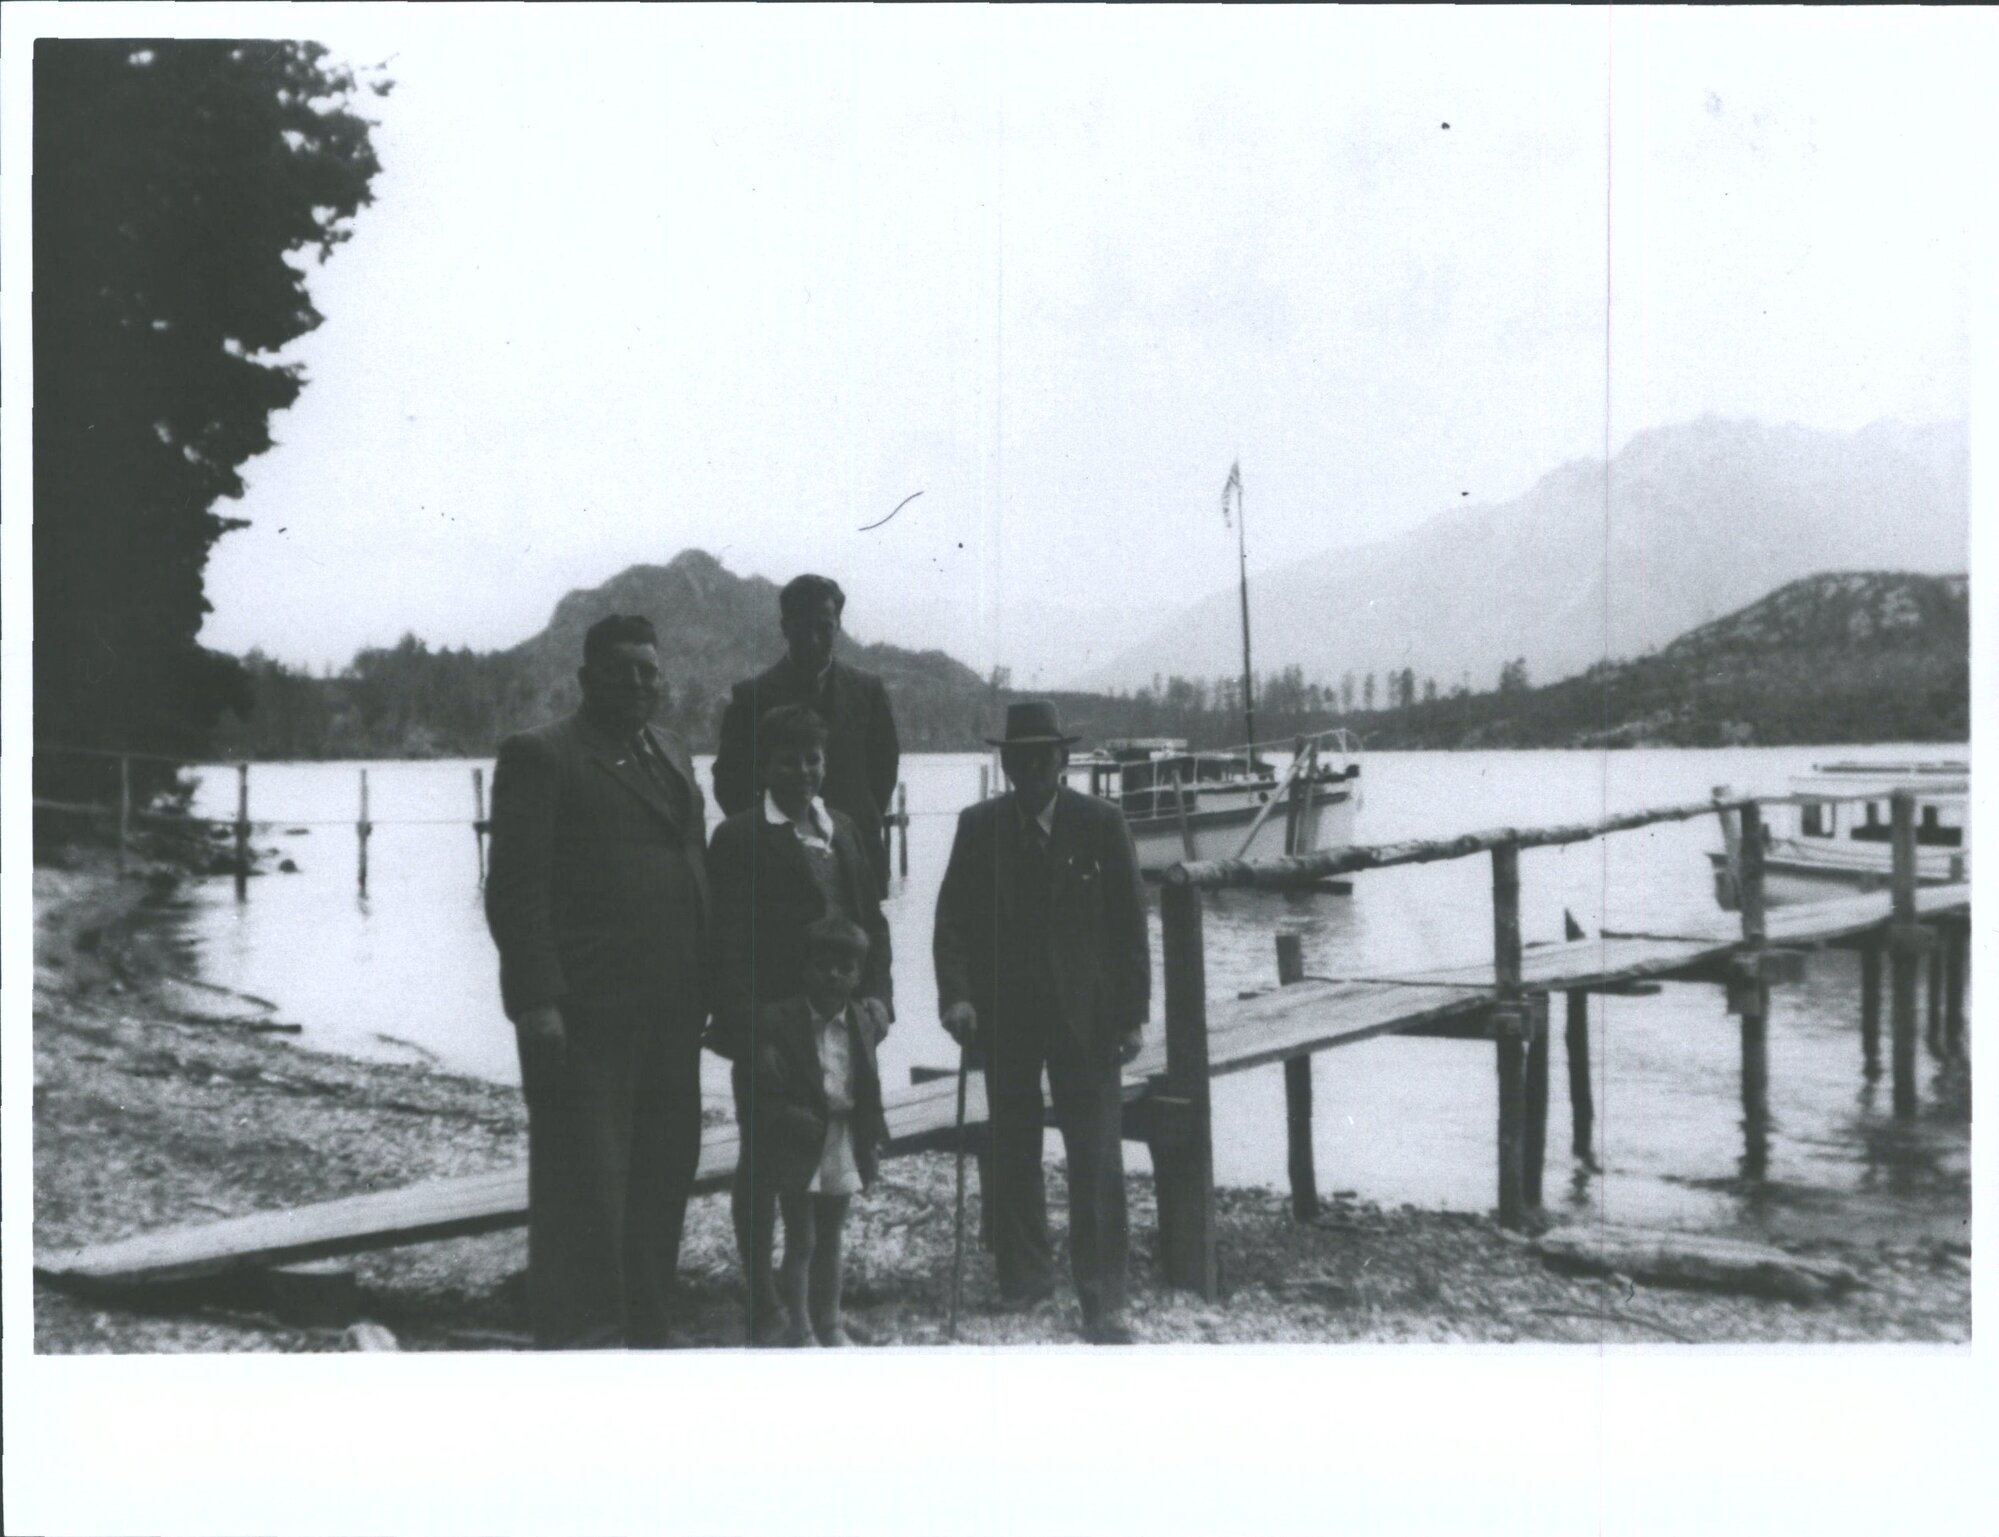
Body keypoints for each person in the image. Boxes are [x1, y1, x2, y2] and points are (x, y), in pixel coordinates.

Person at [483, 613, 709, 1349]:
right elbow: (514, 891)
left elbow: (692, 867)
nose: (639, 683)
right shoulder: (543, 755)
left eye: (650, 670)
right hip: (585, 1016)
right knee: (584, 1188)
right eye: (622, 671)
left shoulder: (672, 752)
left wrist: (713, 986)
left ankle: (646, 1328)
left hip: (673, 1011)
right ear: (587, 679)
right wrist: (537, 1002)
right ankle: (582, 1341)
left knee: (662, 1176)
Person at [933, 700, 1150, 1344]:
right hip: (1005, 1016)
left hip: (1087, 1018)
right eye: (1019, 759)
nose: (1031, 769)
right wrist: (957, 998)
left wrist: (1132, 1016)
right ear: (1005, 764)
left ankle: (1103, 1298)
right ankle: (1024, 1277)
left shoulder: (1102, 823)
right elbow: (952, 924)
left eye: (1042, 757)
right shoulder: (979, 827)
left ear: (1063, 760)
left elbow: (1130, 928)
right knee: (1012, 1147)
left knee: (1095, 1155)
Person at [707, 703, 893, 1345]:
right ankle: (765, 1306)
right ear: (765, 766)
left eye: (813, 758)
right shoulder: (739, 837)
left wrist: (880, 1000)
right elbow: (724, 946)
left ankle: (819, 1310)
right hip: (774, 1034)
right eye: (788, 760)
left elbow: (873, 922)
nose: (802, 771)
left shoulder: (845, 829)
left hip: (843, 1026)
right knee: (765, 1168)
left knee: (835, 1164)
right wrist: (748, 1035)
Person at [749, 914, 889, 1347]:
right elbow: (761, 1090)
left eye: (845, 968)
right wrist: (787, 1115)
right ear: (804, 968)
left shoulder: (862, 1021)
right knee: (803, 1238)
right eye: (822, 966)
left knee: (831, 1237)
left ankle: (830, 1322)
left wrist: (872, 1139)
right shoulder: (780, 1021)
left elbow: (868, 1085)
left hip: (842, 1137)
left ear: (858, 975)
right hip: (799, 1142)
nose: (833, 976)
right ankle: (800, 1326)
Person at [712, 573, 901, 894]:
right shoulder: (751, 697)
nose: (813, 639)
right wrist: (769, 838)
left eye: (824, 627)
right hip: (775, 864)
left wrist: (856, 821)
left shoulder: (868, 690)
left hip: (858, 855)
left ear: (838, 626)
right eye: (802, 628)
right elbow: (731, 783)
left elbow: (884, 769)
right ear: (785, 627)